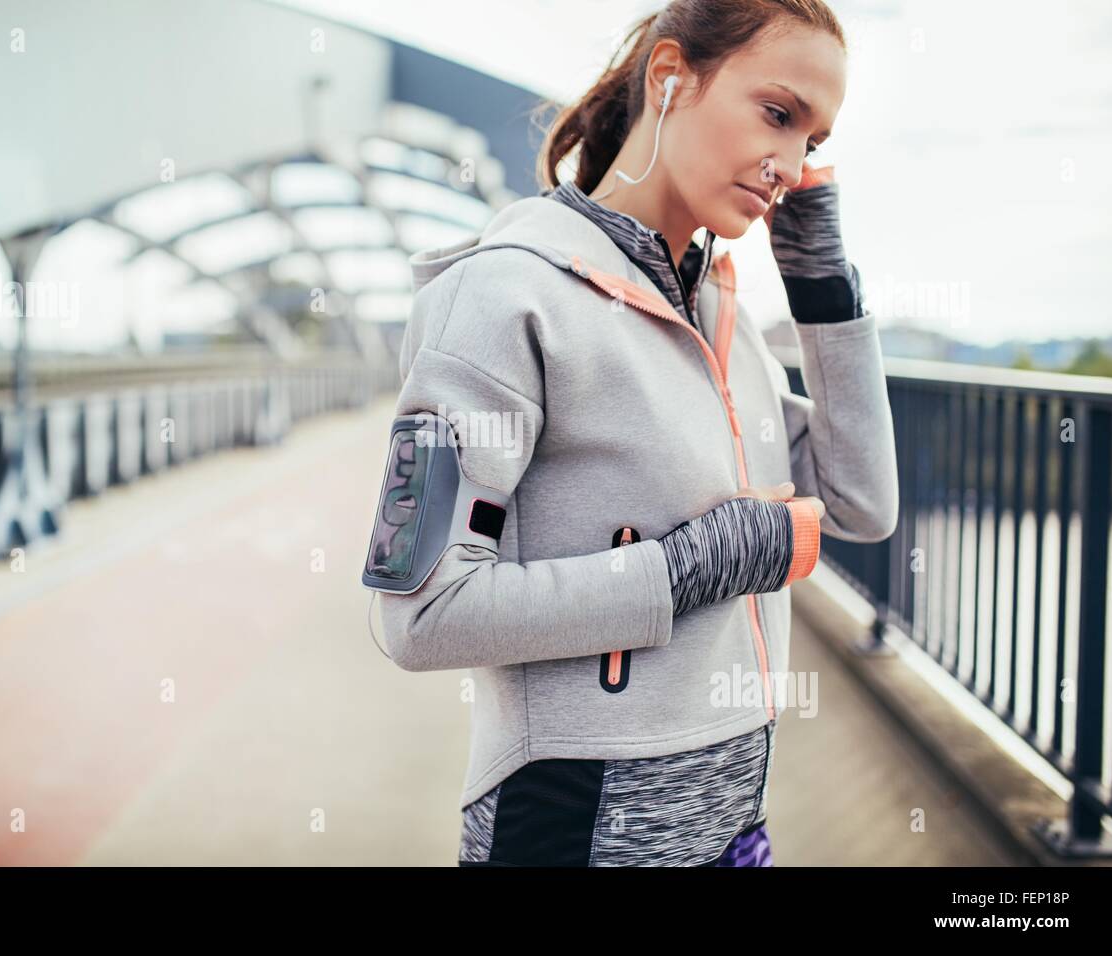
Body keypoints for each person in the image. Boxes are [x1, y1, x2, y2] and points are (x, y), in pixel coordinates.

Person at [365, 0, 898, 866]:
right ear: (670, 77)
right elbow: (419, 616)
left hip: (734, 831)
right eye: (777, 114)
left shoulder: (718, 308)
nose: (790, 164)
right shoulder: (502, 297)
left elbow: (861, 504)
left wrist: (823, 282)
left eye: (814, 142)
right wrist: (687, 570)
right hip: (570, 832)